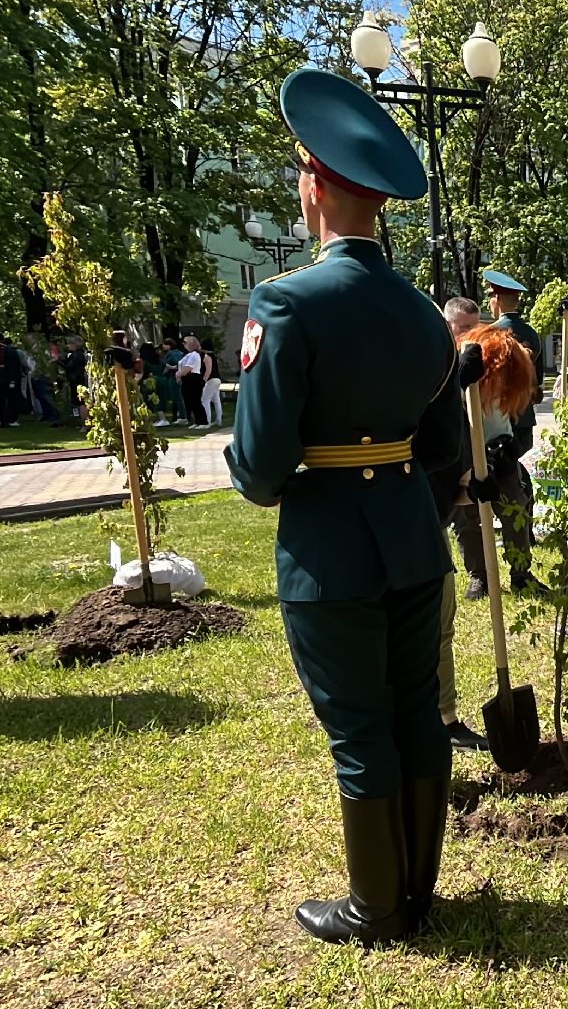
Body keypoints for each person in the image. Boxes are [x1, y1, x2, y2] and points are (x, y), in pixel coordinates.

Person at [225, 68, 468, 945]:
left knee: (360, 729)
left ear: (314, 183)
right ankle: (418, 894)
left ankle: (376, 907)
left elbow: (256, 468)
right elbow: (444, 447)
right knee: (415, 714)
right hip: (411, 541)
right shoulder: (423, 317)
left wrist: (295, 471)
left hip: (328, 550)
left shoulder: (285, 301)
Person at [428, 295, 487, 753]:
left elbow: (454, 476)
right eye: (455, 329)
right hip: (406, 520)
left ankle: (445, 719)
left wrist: (472, 489)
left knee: (442, 625)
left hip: (433, 526)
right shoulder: (425, 378)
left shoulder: (462, 383)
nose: (462, 338)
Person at [451, 325, 540, 599]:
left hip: (501, 455)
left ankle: (521, 574)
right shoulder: (462, 377)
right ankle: (479, 577)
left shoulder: (509, 374)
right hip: (466, 459)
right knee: (467, 520)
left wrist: (510, 448)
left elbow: (513, 416)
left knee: (516, 512)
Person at [483, 270, 544, 469]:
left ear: (497, 299)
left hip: (499, 420)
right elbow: (538, 379)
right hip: (525, 416)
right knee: (523, 475)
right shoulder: (531, 334)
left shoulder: (490, 334)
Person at [177, 334, 207, 428]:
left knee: (195, 400)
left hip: (193, 378)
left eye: (185, 342)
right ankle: (197, 421)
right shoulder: (188, 355)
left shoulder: (194, 355)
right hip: (187, 379)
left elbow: (188, 368)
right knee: (190, 401)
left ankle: (203, 421)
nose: (183, 344)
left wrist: (179, 374)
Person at [200, 349, 224, 428]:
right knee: (216, 400)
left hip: (211, 379)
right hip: (217, 379)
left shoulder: (207, 357)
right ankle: (218, 420)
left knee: (205, 400)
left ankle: (207, 422)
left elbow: (208, 371)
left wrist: (203, 381)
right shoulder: (214, 357)